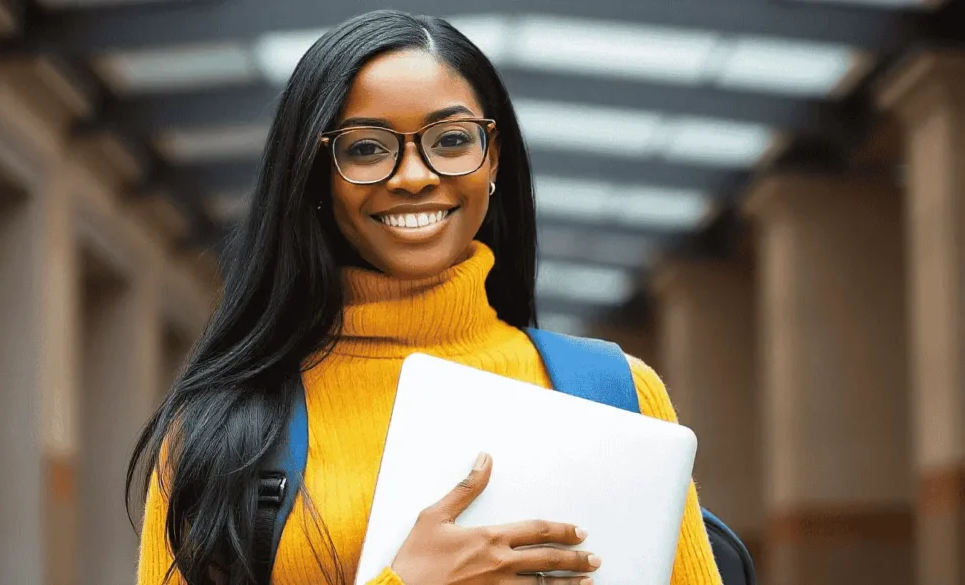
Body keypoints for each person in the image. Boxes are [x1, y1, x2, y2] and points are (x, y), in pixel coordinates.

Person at [127, 9, 724, 585]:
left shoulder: (616, 394)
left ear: (494, 159)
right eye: (365, 147)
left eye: (452, 139)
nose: (413, 174)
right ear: (315, 174)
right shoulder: (219, 431)